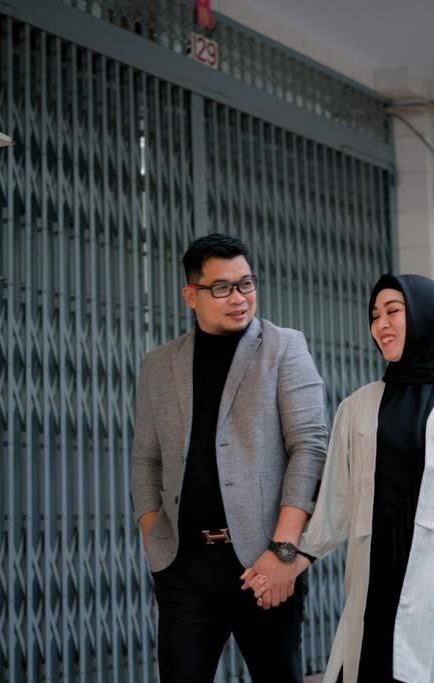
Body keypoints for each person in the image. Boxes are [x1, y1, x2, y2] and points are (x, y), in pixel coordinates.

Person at [243, 274, 434, 682]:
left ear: (427, 317)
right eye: (374, 316)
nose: (381, 325)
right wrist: (288, 564)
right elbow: (335, 503)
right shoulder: (358, 406)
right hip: (377, 587)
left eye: (393, 311)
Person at [130, 233, 328, 682]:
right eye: (222, 287)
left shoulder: (284, 348)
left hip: (263, 563)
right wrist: (151, 529)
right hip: (184, 566)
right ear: (191, 295)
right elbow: (146, 457)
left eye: (246, 284)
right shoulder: (159, 365)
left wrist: (283, 551)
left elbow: (309, 448)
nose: (239, 298)